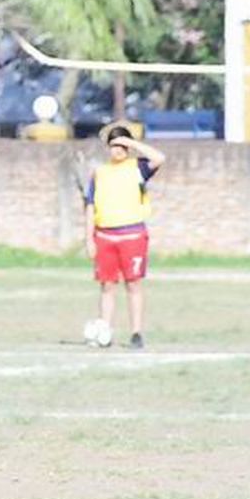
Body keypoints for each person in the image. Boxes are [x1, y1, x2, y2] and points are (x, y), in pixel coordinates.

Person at [84, 123, 164, 349]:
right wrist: (89, 238)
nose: (117, 150)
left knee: (133, 284)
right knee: (107, 286)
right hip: (105, 236)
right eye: (113, 146)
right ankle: (104, 330)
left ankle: (136, 332)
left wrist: (131, 142)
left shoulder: (137, 168)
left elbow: (159, 158)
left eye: (121, 146)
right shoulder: (100, 173)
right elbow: (90, 205)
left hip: (133, 235)